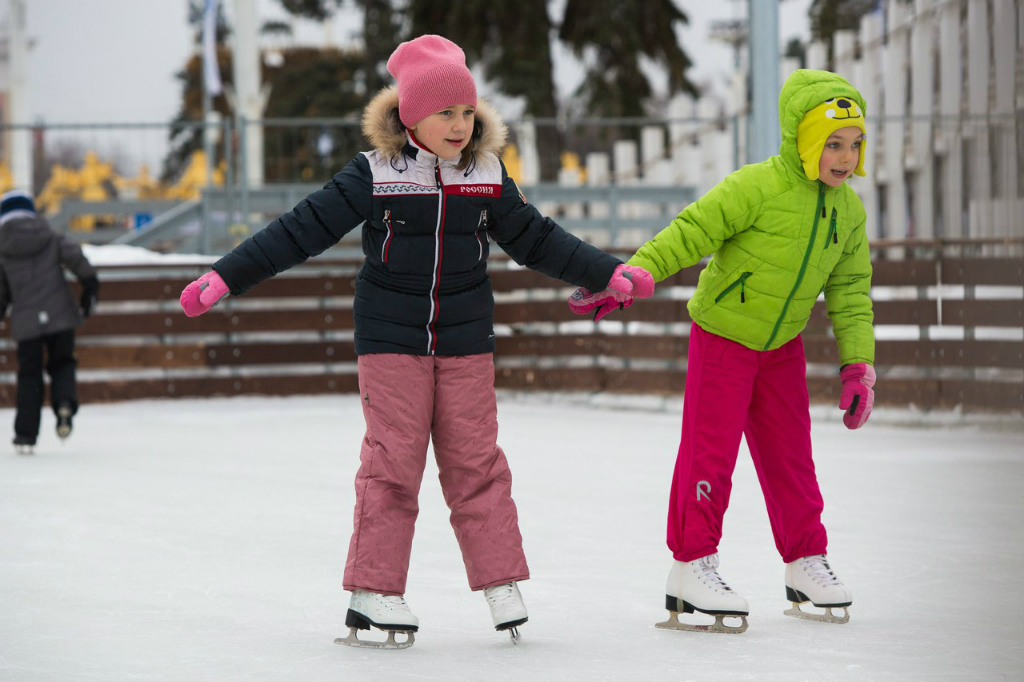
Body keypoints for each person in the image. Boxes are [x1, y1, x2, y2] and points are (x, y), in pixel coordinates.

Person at [179, 34, 654, 649]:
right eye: (445, 113)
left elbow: (537, 238)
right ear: (411, 117)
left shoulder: (486, 174)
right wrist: (225, 276)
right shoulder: (376, 173)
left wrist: (605, 272)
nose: (460, 125)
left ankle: (500, 581)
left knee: (478, 462)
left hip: (465, 339)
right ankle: (373, 592)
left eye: (466, 112)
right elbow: (301, 229)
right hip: (389, 337)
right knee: (393, 462)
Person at [571, 69, 875, 633]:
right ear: (805, 141)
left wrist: (858, 365)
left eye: (855, 143)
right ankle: (691, 566)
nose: (845, 156)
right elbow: (691, 231)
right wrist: (635, 272)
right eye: (833, 143)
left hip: (781, 346)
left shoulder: (849, 213)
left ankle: (806, 560)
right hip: (724, 336)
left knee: (792, 458)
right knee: (711, 454)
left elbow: (852, 292)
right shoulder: (755, 187)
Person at [0, 189, 99, 454]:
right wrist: (89, 285)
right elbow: (76, 258)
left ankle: (25, 435)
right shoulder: (49, 235)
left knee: (29, 375)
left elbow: (1, 292)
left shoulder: (3, 246)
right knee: (62, 363)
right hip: (59, 316)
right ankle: (64, 404)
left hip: (26, 323)